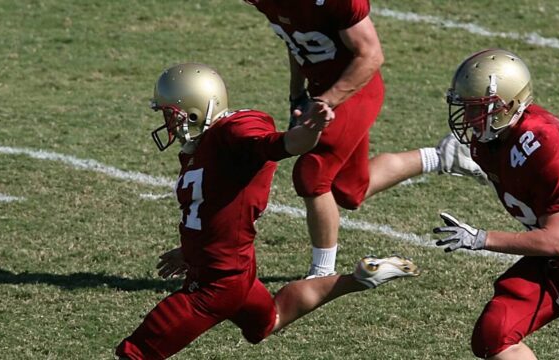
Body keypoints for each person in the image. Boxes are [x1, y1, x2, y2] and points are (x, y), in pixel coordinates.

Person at [115, 63, 420, 359]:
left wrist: (310, 130)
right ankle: (361, 278)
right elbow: (217, 206)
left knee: (136, 353)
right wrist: (192, 250)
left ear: (195, 112)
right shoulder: (203, 145)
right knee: (269, 321)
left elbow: (282, 144)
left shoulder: (234, 134)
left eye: (172, 115)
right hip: (236, 272)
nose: (168, 123)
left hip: (214, 285)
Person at [244, 0, 486, 278]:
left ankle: (322, 274)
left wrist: (327, 101)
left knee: (312, 174)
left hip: (356, 89)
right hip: (324, 91)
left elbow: (370, 55)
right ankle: (445, 155)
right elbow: (296, 42)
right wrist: (297, 94)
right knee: (350, 189)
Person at [432, 49, 559, 359]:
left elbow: (556, 240)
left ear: (507, 106)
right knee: (493, 334)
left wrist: (480, 238)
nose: (469, 118)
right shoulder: (490, 139)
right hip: (557, 266)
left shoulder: (543, 141)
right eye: (467, 108)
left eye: (477, 109)